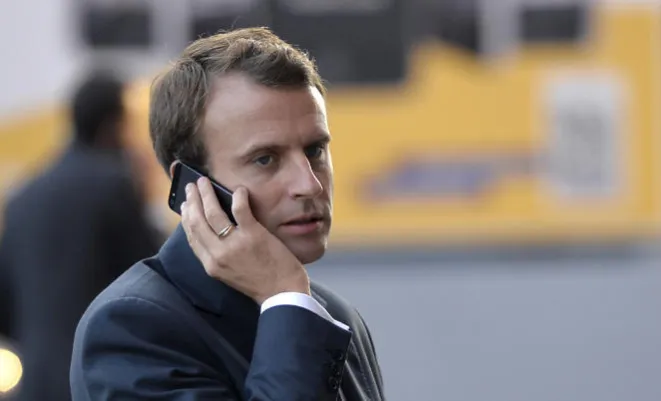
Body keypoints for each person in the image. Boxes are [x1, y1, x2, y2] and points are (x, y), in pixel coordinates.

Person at [70, 27, 385, 400]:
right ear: (192, 185)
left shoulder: (328, 312)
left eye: (315, 150)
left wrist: (287, 299)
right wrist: (284, 297)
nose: (309, 185)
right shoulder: (132, 327)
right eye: (265, 159)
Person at [0, 71, 162, 401]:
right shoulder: (113, 183)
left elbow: (5, 306)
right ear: (113, 123)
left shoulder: (21, 198)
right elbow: (151, 280)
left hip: (35, 384)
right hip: (97, 379)